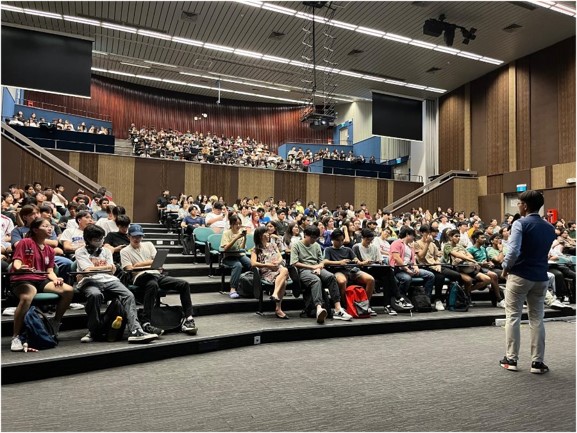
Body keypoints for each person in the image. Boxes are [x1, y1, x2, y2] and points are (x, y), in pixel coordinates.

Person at [500, 190, 556, 374]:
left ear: (524, 205)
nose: (518, 206)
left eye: (518, 203)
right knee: (537, 319)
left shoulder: (520, 223)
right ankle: (537, 363)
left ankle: (511, 359)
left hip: (520, 275)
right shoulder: (549, 228)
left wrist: (506, 268)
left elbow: (514, 250)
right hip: (540, 277)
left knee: (513, 316)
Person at [75, 224, 158, 344]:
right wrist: (104, 267)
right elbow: (87, 270)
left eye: (102, 238)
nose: (100, 242)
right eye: (96, 240)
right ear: (88, 240)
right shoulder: (80, 252)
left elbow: (112, 270)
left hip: (109, 280)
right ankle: (93, 331)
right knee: (95, 295)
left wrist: (96, 268)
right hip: (89, 281)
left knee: (128, 295)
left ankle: (136, 330)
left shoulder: (107, 251)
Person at [121, 224, 198, 336]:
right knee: (152, 284)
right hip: (140, 277)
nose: (137, 239)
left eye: (139, 236)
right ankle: (146, 322)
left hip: (156, 275)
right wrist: (150, 263)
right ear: (129, 236)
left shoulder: (148, 245)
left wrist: (139, 264)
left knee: (183, 284)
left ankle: (189, 318)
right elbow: (129, 269)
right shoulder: (125, 251)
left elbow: (158, 261)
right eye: (134, 236)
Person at [9, 218, 74, 351]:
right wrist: (21, 268)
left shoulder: (50, 250)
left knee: (68, 290)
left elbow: (49, 271)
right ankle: (15, 337)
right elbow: (16, 262)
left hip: (40, 278)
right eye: (45, 226)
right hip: (22, 278)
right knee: (27, 297)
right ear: (35, 229)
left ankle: (55, 322)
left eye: (50, 226)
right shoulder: (25, 242)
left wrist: (55, 279)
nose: (50, 228)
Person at [290, 225, 352, 323]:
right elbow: (294, 263)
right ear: (305, 235)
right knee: (316, 280)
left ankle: (338, 309)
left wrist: (319, 267)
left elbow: (322, 261)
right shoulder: (296, 245)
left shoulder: (316, 245)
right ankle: (319, 308)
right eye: (312, 237)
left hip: (317, 268)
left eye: (316, 238)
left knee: (331, 277)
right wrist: (313, 267)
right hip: (304, 270)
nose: (314, 240)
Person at [326, 228, 376, 316]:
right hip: (338, 271)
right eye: (338, 240)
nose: (340, 242)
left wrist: (361, 262)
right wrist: (339, 262)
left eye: (342, 240)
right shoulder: (328, 250)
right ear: (333, 239)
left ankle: (365, 305)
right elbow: (325, 261)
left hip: (352, 270)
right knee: (342, 281)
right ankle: (345, 305)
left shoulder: (348, 249)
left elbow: (356, 259)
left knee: (370, 279)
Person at [251, 226, 289, 319]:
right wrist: (267, 265)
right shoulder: (256, 249)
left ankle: (275, 293)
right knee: (284, 280)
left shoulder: (273, 245)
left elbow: (280, 257)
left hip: (277, 268)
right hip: (266, 271)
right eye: (266, 233)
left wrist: (278, 262)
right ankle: (278, 309)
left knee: (284, 269)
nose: (268, 234)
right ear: (260, 235)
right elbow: (253, 263)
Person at [220, 215, 251, 299]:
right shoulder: (226, 233)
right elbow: (226, 248)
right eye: (236, 224)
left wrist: (244, 238)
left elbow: (242, 248)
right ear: (231, 224)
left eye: (239, 224)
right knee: (237, 265)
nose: (238, 226)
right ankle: (232, 289)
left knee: (251, 264)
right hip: (228, 256)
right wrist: (236, 238)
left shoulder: (240, 232)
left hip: (239, 255)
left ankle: (250, 286)